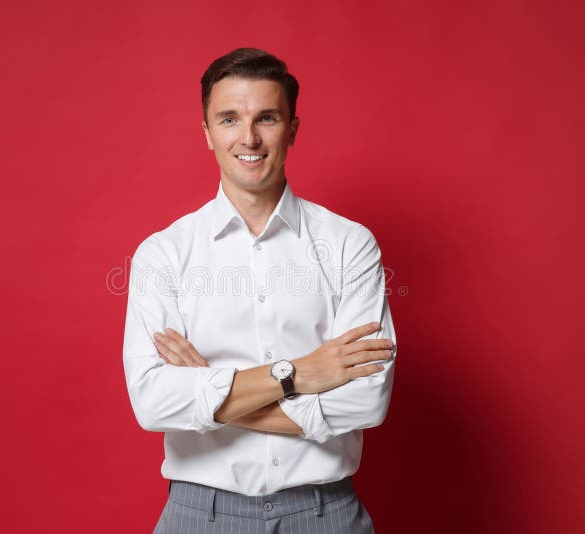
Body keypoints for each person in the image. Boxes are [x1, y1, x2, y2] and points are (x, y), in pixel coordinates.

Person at [122, 47, 398, 533]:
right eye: (229, 118)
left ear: (292, 128)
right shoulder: (163, 254)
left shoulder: (349, 245)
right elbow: (152, 402)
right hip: (199, 515)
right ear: (207, 133)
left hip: (324, 513)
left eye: (266, 117)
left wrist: (209, 390)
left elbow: (367, 401)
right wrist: (299, 373)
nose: (248, 138)